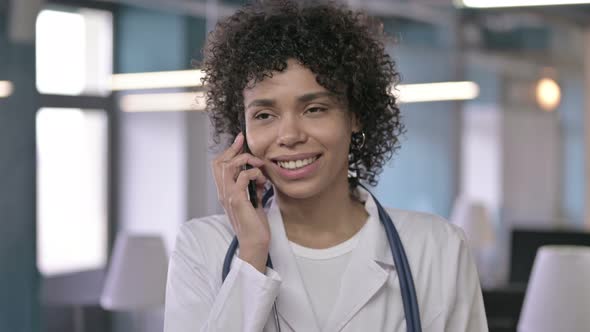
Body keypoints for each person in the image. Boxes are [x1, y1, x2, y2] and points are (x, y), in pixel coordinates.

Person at [164, 0, 488, 331]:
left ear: (355, 115)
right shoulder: (203, 248)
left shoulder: (438, 248)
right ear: (243, 130)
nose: (289, 135)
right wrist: (251, 254)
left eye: (315, 109)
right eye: (264, 115)